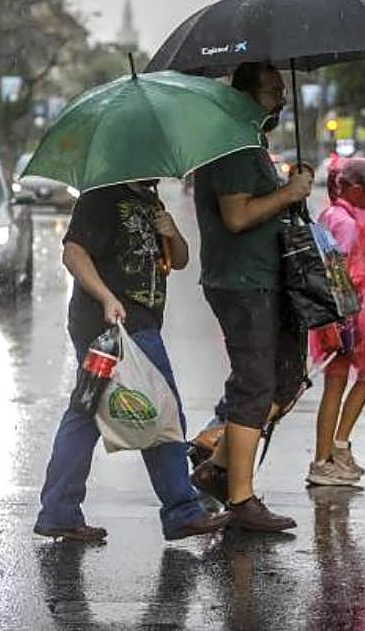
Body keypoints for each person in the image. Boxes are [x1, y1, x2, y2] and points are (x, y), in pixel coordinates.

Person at [34, 181, 231, 543]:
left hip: (132, 322)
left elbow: (181, 260)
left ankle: (58, 511)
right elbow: (73, 253)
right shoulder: (101, 196)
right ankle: (181, 510)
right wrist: (107, 297)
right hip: (115, 324)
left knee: (86, 414)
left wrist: (171, 232)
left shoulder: (148, 199)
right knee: (161, 408)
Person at [189, 62, 312, 533]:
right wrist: (289, 193)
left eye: (282, 91)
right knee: (255, 385)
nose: (282, 99)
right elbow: (237, 217)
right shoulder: (235, 142)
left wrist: (289, 191)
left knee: (284, 380)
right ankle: (240, 498)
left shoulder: (248, 140)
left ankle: (217, 467)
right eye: (272, 91)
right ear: (244, 95)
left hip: (261, 279)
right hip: (244, 283)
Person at [306, 157, 365, 487]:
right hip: (350, 319)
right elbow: (343, 274)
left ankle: (322, 460)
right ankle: (339, 447)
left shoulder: (332, 214)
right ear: (356, 189)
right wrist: (347, 322)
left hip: (333, 317)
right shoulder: (348, 225)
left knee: (335, 384)